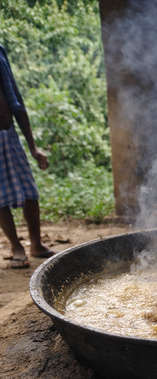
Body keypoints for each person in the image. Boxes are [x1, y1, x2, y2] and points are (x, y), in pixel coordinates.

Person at [0, 44, 53, 268]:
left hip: (9, 134)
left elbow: (15, 100)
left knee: (30, 191)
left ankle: (36, 245)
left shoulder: (0, 51)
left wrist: (33, 147)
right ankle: (16, 247)